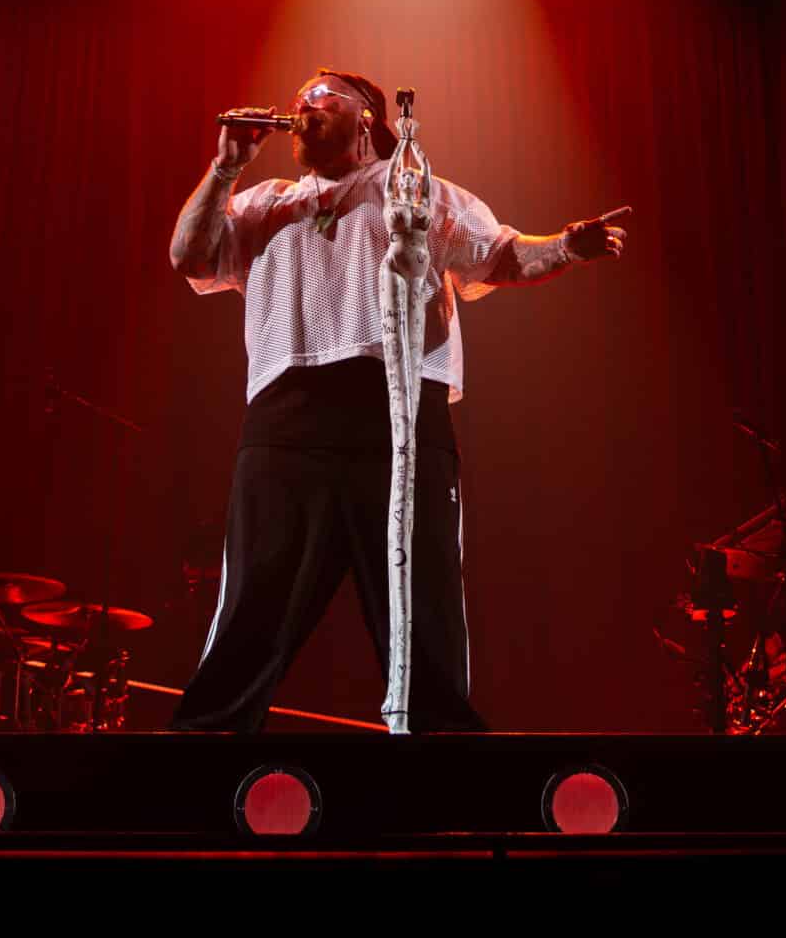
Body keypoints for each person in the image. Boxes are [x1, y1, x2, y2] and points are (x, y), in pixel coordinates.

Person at [167, 68, 629, 731]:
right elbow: (190, 256)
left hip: (401, 409)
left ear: (366, 117)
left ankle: (439, 758)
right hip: (287, 415)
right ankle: (202, 752)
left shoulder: (414, 188)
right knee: (254, 596)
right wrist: (226, 167)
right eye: (298, 100)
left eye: (321, 96)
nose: (302, 106)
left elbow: (499, 255)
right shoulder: (266, 201)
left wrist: (565, 246)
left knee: (420, 602)